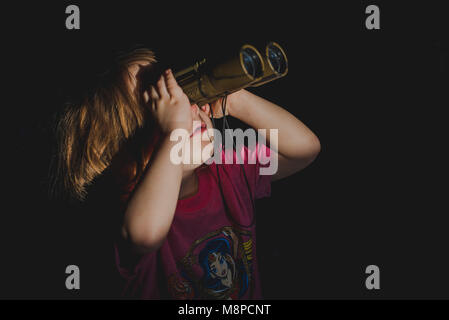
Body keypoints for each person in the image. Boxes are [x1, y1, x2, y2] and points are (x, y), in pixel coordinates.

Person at [52, 47, 320, 299]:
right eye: (160, 106)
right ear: (118, 156)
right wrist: (175, 133)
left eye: (177, 93)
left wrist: (234, 99)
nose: (183, 107)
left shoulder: (227, 171)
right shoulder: (127, 211)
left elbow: (304, 149)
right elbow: (145, 234)